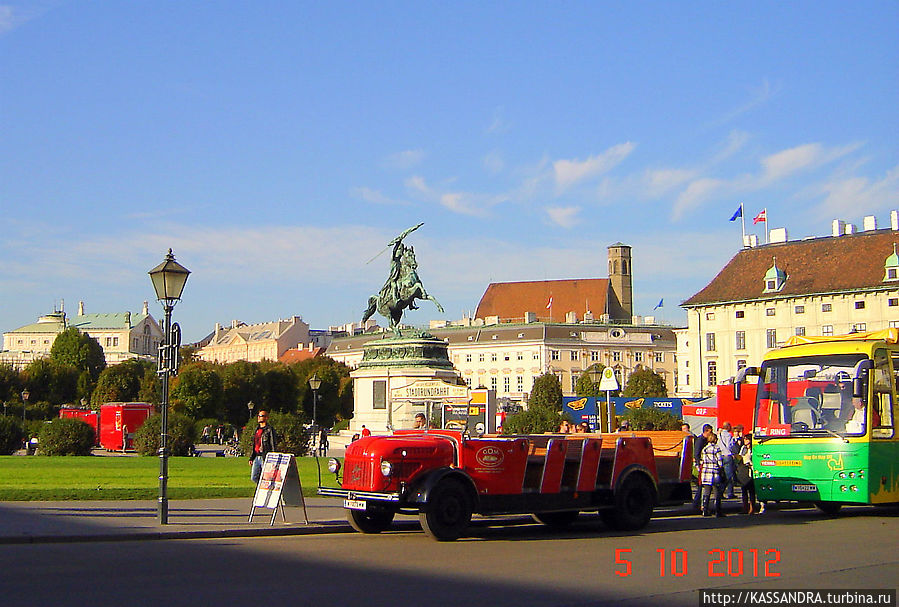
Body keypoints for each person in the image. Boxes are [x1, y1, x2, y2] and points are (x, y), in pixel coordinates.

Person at [700, 432, 727, 517]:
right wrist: (721, 467)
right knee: (716, 492)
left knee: (706, 492)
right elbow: (720, 461)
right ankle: (718, 511)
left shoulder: (704, 449)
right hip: (714, 472)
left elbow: (703, 460)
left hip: (705, 472)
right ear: (715, 439)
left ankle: (705, 510)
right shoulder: (716, 448)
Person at [249, 410, 277, 484]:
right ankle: (262, 488)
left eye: (261, 416)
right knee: (254, 477)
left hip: (265, 456)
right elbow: (255, 444)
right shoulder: (257, 429)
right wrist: (252, 457)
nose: (258, 417)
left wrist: (273, 457)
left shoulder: (269, 429)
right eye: (258, 416)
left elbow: (273, 444)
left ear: (266, 418)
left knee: (267, 477)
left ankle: (267, 490)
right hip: (257, 456)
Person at [691, 424, 713, 511]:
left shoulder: (704, 440)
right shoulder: (700, 440)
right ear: (706, 431)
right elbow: (696, 453)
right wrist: (697, 464)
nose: (711, 433)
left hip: (703, 464)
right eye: (710, 432)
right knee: (701, 485)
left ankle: (698, 502)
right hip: (701, 464)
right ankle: (697, 502)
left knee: (702, 485)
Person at [736, 433, 757, 514]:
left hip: (750, 470)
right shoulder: (743, 448)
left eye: (747, 439)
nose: (745, 441)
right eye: (744, 439)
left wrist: (751, 463)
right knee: (744, 490)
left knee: (751, 491)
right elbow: (740, 456)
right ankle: (745, 507)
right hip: (743, 469)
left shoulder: (753, 449)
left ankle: (752, 508)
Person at [718, 422, 737, 499]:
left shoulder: (719, 434)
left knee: (722, 475)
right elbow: (730, 445)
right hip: (728, 455)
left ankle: (720, 492)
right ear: (728, 427)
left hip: (721, 456)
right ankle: (730, 493)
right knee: (729, 476)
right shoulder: (728, 435)